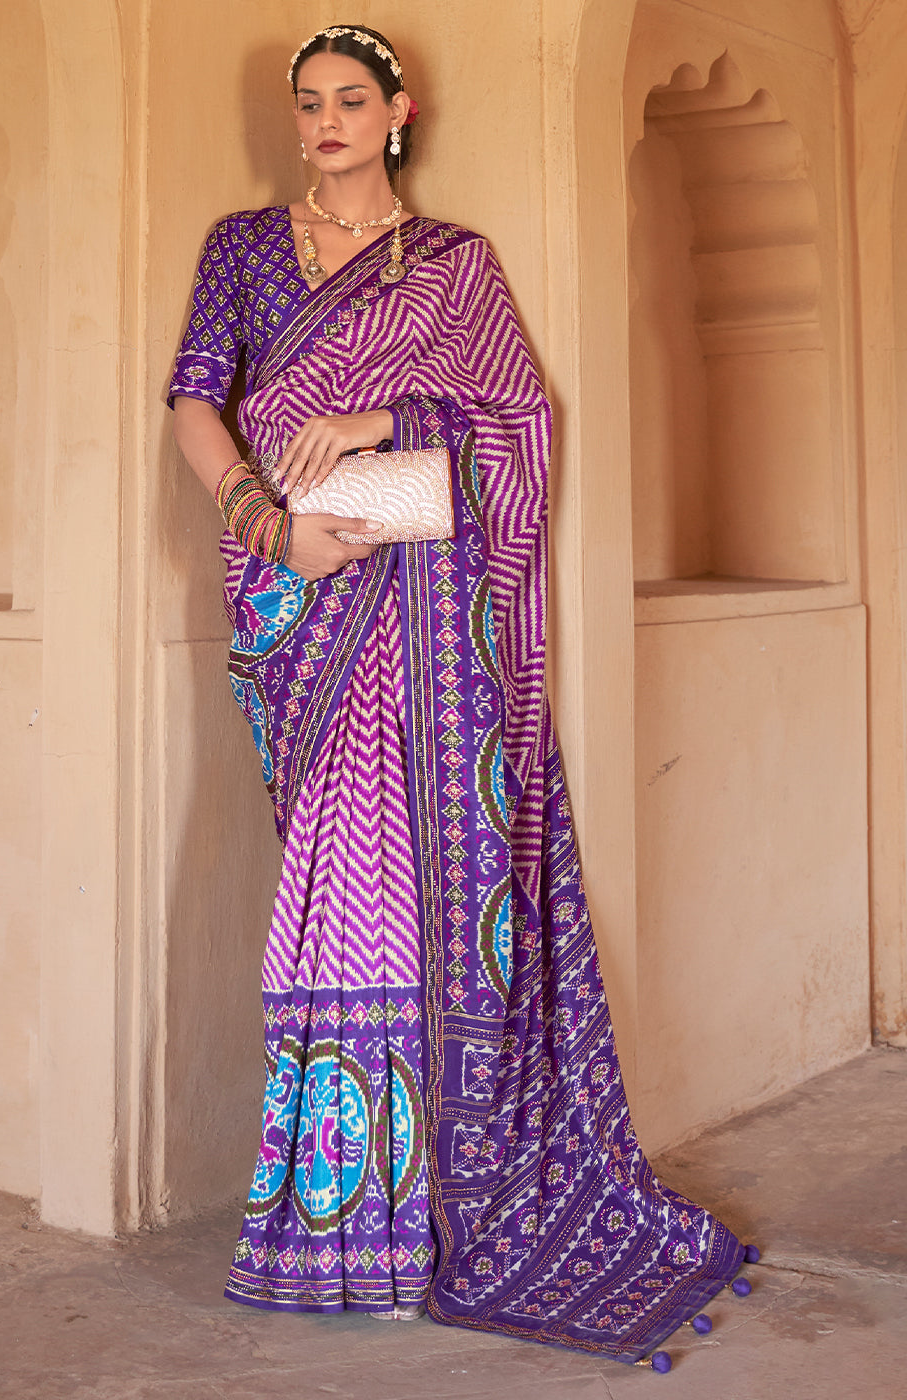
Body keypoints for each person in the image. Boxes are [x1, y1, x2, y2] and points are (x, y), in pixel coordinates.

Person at [167, 23, 751, 1370]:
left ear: (397, 112)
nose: (322, 121)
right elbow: (199, 404)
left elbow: (518, 427)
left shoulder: (456, 268)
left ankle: (418, 1216)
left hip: (427, 618)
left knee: (408, 891)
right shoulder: (243, 249)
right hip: (298, 601)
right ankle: (330, 1217)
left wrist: (384, 422)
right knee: (330, 885)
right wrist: (267, 526)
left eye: (348, 100)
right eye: (305, 102)